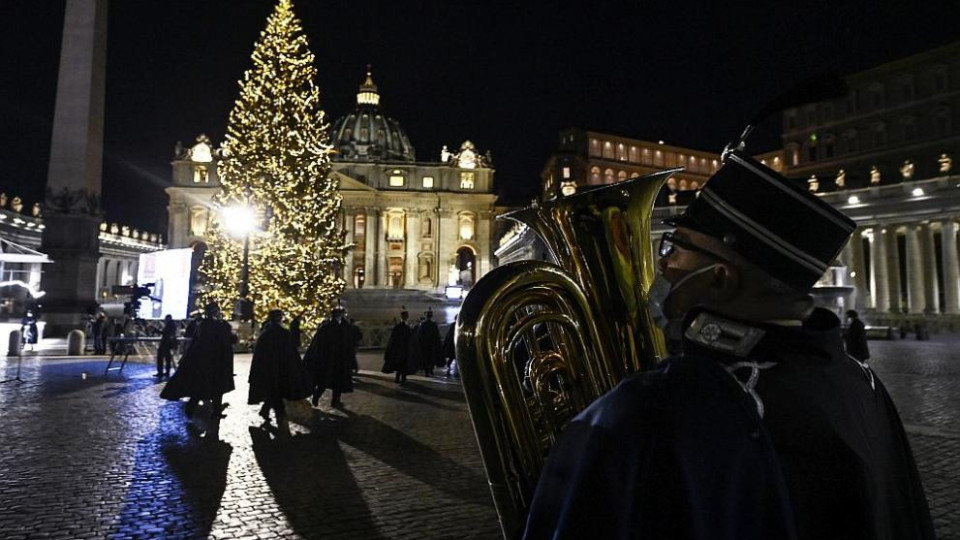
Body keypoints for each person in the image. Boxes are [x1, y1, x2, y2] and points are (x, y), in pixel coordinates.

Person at [523, 150, 933, 539]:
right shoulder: (867, 387)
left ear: (720, 279)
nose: (662, 263)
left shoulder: (656, 410)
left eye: (676, 247)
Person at [160, 303, 236, 420]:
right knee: (206, 388)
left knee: (214, 389)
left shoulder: (206, 325)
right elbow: (224, 340)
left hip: (212, 362)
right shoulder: (212, 326)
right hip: (210, 362)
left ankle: (213, 411)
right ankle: (193, 410)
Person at [248, 309, 310, 422]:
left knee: (276, 390)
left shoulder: (266, 335)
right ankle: (279, 414)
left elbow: (260, 355)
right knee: (277, 390)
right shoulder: (281, 334)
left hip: (272, 368)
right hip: (280, 367)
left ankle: (267, 410)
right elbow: (291, 352)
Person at [303, 306, 353, 407]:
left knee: (337, 382)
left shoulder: (343, 326)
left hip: (340, 358)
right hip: (329, 358)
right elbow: (320, 343)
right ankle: (317, 396)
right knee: (324, 380)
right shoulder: (328, 327)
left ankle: (335, 401)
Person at [382, 308, 417, 385]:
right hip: (405, 349)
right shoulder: (407, 328)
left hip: (398, 349)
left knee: (399, 364)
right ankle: (403, 378)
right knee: (404, 363)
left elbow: (393, 339)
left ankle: (398, 378)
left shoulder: (397, 327)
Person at [416, 308, 443, 377]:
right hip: (432, 345)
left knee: (426, 358)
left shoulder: (423, 325)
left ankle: (427, 371)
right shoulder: (434, 325)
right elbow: (437, 335)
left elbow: (419, 336)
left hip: (425, 345)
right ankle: (431, 370)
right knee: (431, 358)